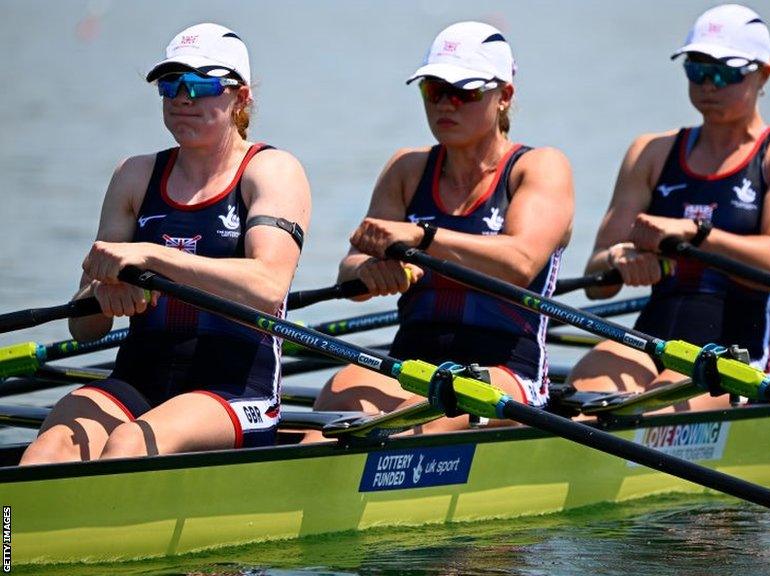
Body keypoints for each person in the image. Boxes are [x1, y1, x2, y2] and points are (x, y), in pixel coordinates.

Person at [20, 23, 312, 465]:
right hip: (138, 379)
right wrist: (104, 293)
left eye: (201, 84)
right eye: (171, 84)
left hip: (234, 390)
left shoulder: (271, 171)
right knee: (51, 445)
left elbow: (268, 286)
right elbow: (84, 328)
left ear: (242, 96)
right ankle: (11, 535)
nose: (182, 97)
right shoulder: (135, 176)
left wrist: (152, 257)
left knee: (130, 444)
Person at [310, 21, 573, 432]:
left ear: (504, 96)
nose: (446, 105)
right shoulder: (407, 169)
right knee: (334, 400)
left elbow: (521, 262)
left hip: (507, 371)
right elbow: (350, 266)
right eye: (434, 91)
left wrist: (423, 237)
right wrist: (369, 271)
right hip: (411, 361)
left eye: (464, 92)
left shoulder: (538, 167)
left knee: (429, 417)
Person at [566, 4, 770, 409]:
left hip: (734, 356)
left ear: (765, 72)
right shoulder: (651, 153)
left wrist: (696, 234)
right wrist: (621, 256)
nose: (709, 84)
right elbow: (599, 282)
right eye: (697, 69)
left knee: (657, 402)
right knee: (587, 392)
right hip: (648, 342)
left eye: (725, 72)